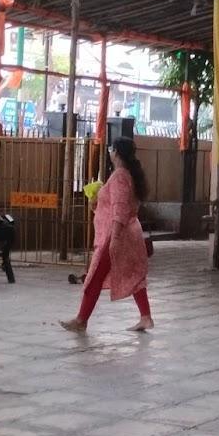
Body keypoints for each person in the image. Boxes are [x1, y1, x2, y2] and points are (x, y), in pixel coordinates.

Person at [62, 136, 153, 333]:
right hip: (128, 233)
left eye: (111, 149)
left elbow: (120, 208)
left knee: (95, 275)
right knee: (134, 275)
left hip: (115, 234)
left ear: (116, 153)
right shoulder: (128, 175)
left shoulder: (119, 176)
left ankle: (81, 320)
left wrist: (115, 238)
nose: (110, 152)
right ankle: (146, 317)